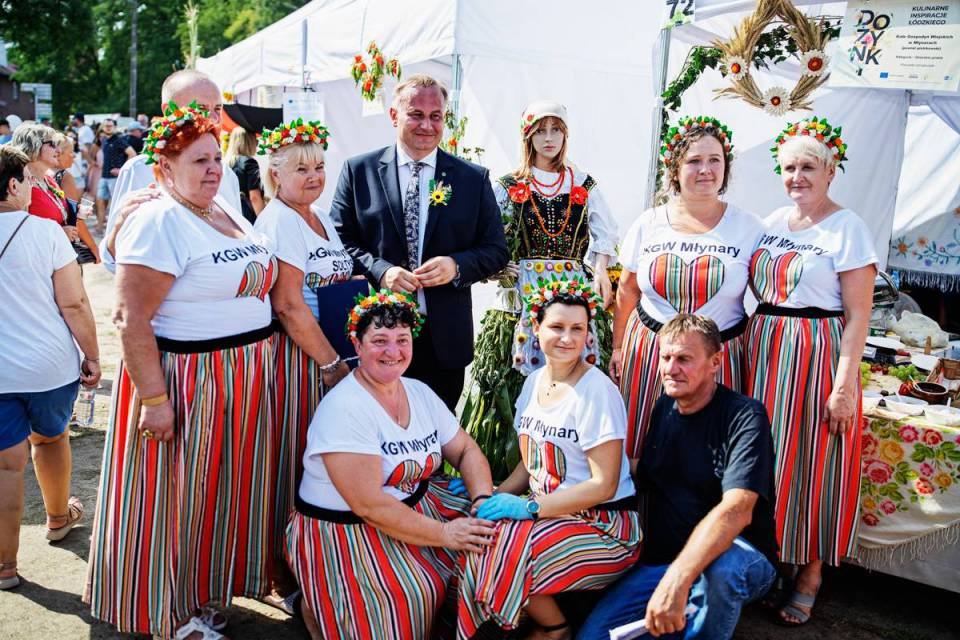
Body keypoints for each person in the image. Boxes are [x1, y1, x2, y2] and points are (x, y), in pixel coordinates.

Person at [84, 102, 278, 639]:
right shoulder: (159, 219)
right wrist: (154, 399)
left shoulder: (222, 208)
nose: (214, 169)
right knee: (173, 502)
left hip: (239, 377)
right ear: (165, 168)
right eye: (199, 160)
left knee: (212, 498)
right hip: (189, 380)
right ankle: (165, 615)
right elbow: (129, 318)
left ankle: (196, 596)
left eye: (216, 157)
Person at [286, 290, 496, 639]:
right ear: (357, 345)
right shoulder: (346, 407)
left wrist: (482, 500)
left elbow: (465, 451)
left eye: (402, 340)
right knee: (415, 592)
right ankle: (319, 603)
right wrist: (446, 535)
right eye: (379, 341)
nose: (393, 351)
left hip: (418, 505)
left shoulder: (418, 391)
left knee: (493, 543)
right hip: (348, 530)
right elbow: (369, 504)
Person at [744, 117, 876, 626]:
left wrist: (844, 385)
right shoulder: (774, 221)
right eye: (789, 168)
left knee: (815, 459)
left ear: (830, 172)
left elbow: (858, 315)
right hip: (766, 349)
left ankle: (811, 573)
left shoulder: (848, 228)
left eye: (808, 167)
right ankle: (773, 560)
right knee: (769, 459)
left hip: (817, 353)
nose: (797, 177)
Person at [457, 278, 641, 640]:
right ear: (536, 327)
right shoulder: (534, 381)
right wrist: (493, 498)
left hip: (603, 526)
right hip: (549, 516)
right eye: (557, 326)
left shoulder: (597, 391)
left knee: (499, 546)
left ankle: (554, 629)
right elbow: (531, 463)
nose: (567, 338)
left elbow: (603, 485)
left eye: (578, 329)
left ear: (589, 334)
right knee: (471, 528)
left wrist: (527, 508)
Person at [578, 315, 778, 640]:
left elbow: (737, 509)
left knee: (722, 573)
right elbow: (647, 471)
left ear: (715, 362)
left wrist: (678, 579)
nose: (671, 369)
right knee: (593, 637)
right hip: (664, 563)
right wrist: (585, 464)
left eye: (684, 359)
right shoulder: (665, 408)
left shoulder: (744, 416)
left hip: (738, 554)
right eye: (666, 357)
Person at [330, 73, 508, 410]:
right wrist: (381, 271)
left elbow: (496, 251)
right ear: (394, 115)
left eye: (435, 116)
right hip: (378, 336)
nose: (427, 125)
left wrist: (456, 266)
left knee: (437, 431)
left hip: (444, 341)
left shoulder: (472, 179)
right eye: (416, 114)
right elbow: (339, 241)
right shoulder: (358, 171)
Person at [462, 101, 619, 478]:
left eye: (556, 130)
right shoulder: (508, 185)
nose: (549, 138)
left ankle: (574, 468)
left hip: (572, 296)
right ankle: (509, 473)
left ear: (566, 135)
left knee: (574, 377)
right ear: (527, 136)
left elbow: (605, 232)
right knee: (512, 386)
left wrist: (600, 268)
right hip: (519, 300)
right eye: (541, 131)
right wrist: (498, 267)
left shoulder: (582, 183)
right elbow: (487, 237)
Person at [610, 116, 763, 460]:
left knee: (707, 454)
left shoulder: (749, 227)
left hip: (717, 356)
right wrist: (618, 347)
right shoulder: (649, 222)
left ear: (726, 167)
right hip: (651, 353)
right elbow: (627, 290)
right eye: (694, 161)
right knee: (643, 445)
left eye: (714, 160)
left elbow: (767, 292)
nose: (705, 170)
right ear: (675, 169)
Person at [252, 120, 352, 610]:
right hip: (301, 361)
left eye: (319, 167)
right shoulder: (280, 221)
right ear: (275, 174)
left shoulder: (319, 216)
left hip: (330, 353)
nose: (314, 176)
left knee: (320, 458)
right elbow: (289, 305)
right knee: (292, 459)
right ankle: (277, 571)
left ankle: (310, 560)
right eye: (301, 169)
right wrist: (331, 363)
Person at [0, 145, 101, 590]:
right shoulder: (46, 232)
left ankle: (4, 566)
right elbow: (74, 303)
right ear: (12, 185)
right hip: (47, 365)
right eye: (28, 179)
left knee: (6, 466)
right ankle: (58, 519)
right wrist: (92, 354)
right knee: (51, 438)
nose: (34, 186)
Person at [100, 69, 240, 270]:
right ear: (168, 111)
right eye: (200, 109)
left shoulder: (228, 174)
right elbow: (113, 260)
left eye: (217, 109)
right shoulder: (140, 169)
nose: (213, 119)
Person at [9, 123, 78, 241]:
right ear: (33, 146)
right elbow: (14, 230)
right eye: (52, 144)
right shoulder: (20, 184)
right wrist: (59, 233)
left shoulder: (49, 179)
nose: (59, 150)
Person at [52, 133, 100, 264]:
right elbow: (75, 220)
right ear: (58, 153)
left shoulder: (41, 174)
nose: (74, 156)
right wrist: (93, 247)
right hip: (63, 245)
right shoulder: (64, 177)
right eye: (71, 152)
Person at [96, 118, 137, 229]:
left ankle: (116, 229)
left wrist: (122, 170)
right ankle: (100, 227)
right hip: (104, 176)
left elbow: (132, 153)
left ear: (114, 127)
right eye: (106, 126)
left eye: (110, 126)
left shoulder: (119, 140)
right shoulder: (104, 140)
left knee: (117, 205)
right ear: (103, 127)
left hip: (115, 178)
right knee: (100, 202)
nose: (108, 128)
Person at [225, 126, 265, 223]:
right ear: (249, 142)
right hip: (247, 217)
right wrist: (264, 221)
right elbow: (254, 198)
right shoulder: (250, 162)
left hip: (230, 214)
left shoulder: (225, 163)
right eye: (255, 141)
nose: (256, 144)